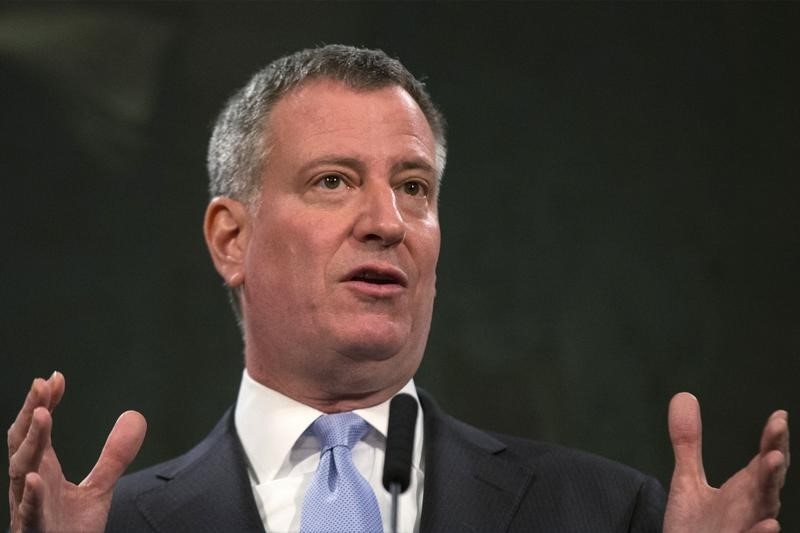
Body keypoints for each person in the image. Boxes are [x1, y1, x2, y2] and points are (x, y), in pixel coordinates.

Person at [8, 45, 790, 533]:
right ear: (231, 238)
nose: (388, 219)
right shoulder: (117, 526)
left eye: (414, 186)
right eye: (333, 180)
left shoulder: (603, 512)